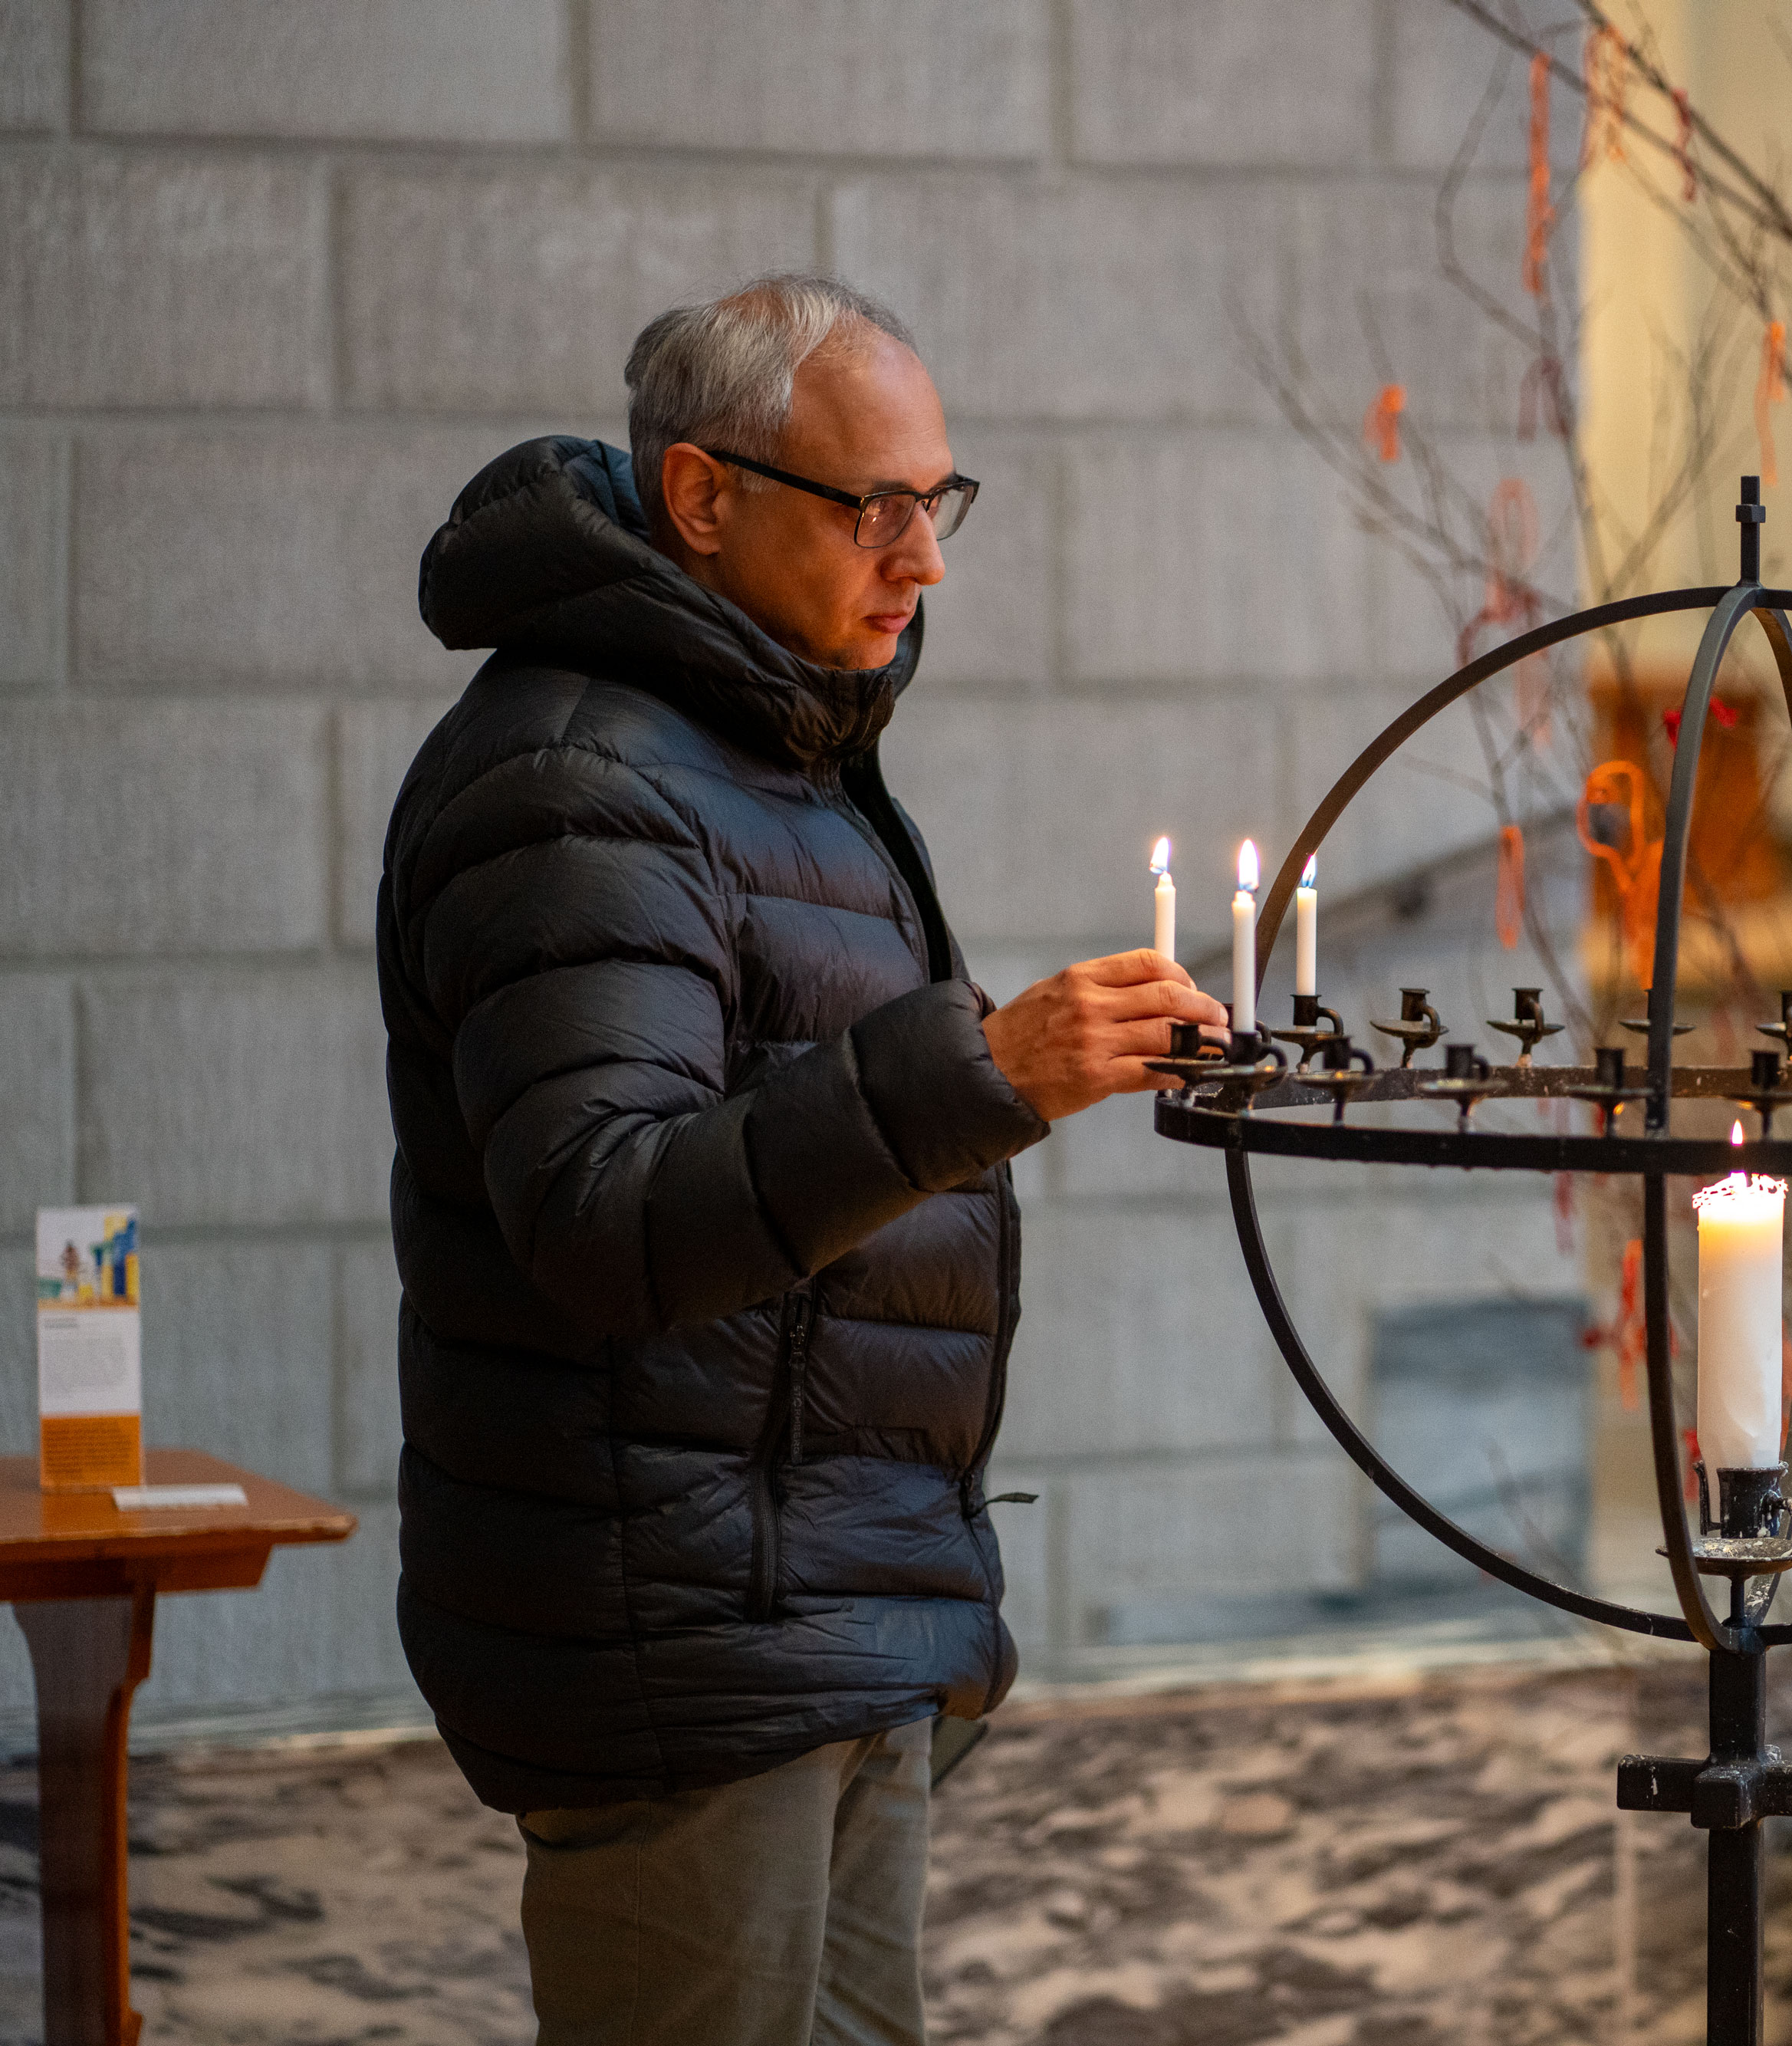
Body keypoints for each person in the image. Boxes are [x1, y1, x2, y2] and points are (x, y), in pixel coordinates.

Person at [377, 271, 1227, 2044]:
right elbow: (604, 1216)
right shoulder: (574, 777)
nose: (925, 562)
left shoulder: (778, 753)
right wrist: (977, 1070)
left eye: (942, 501)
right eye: (879, 507)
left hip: (825, 1614)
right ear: (704, 497)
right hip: (685, 1638)